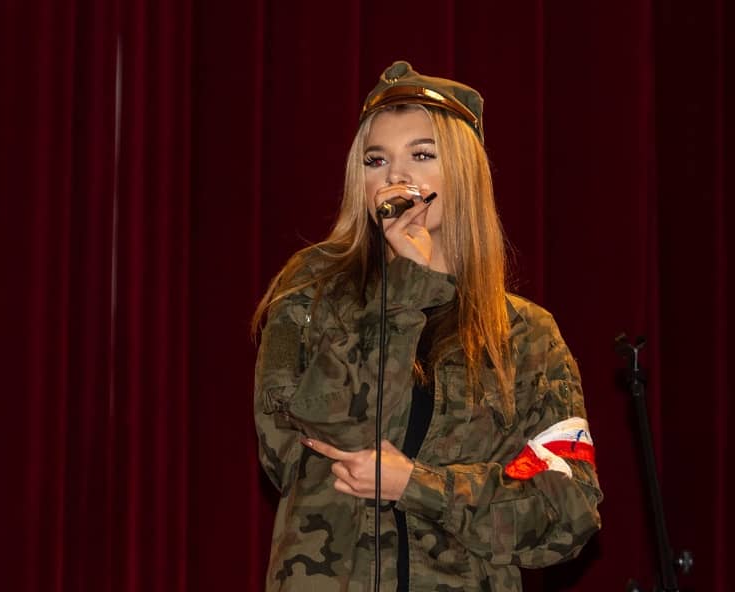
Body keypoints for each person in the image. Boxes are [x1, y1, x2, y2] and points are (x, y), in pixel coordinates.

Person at [252, 60, 602, 591]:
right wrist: (404, 290)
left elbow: (569, 509)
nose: (395, 177)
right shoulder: (312, 290)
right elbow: (294, 453)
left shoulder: (525, 333)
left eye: (421, 155)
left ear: (463, 174)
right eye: (376, 160)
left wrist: (417, 485)